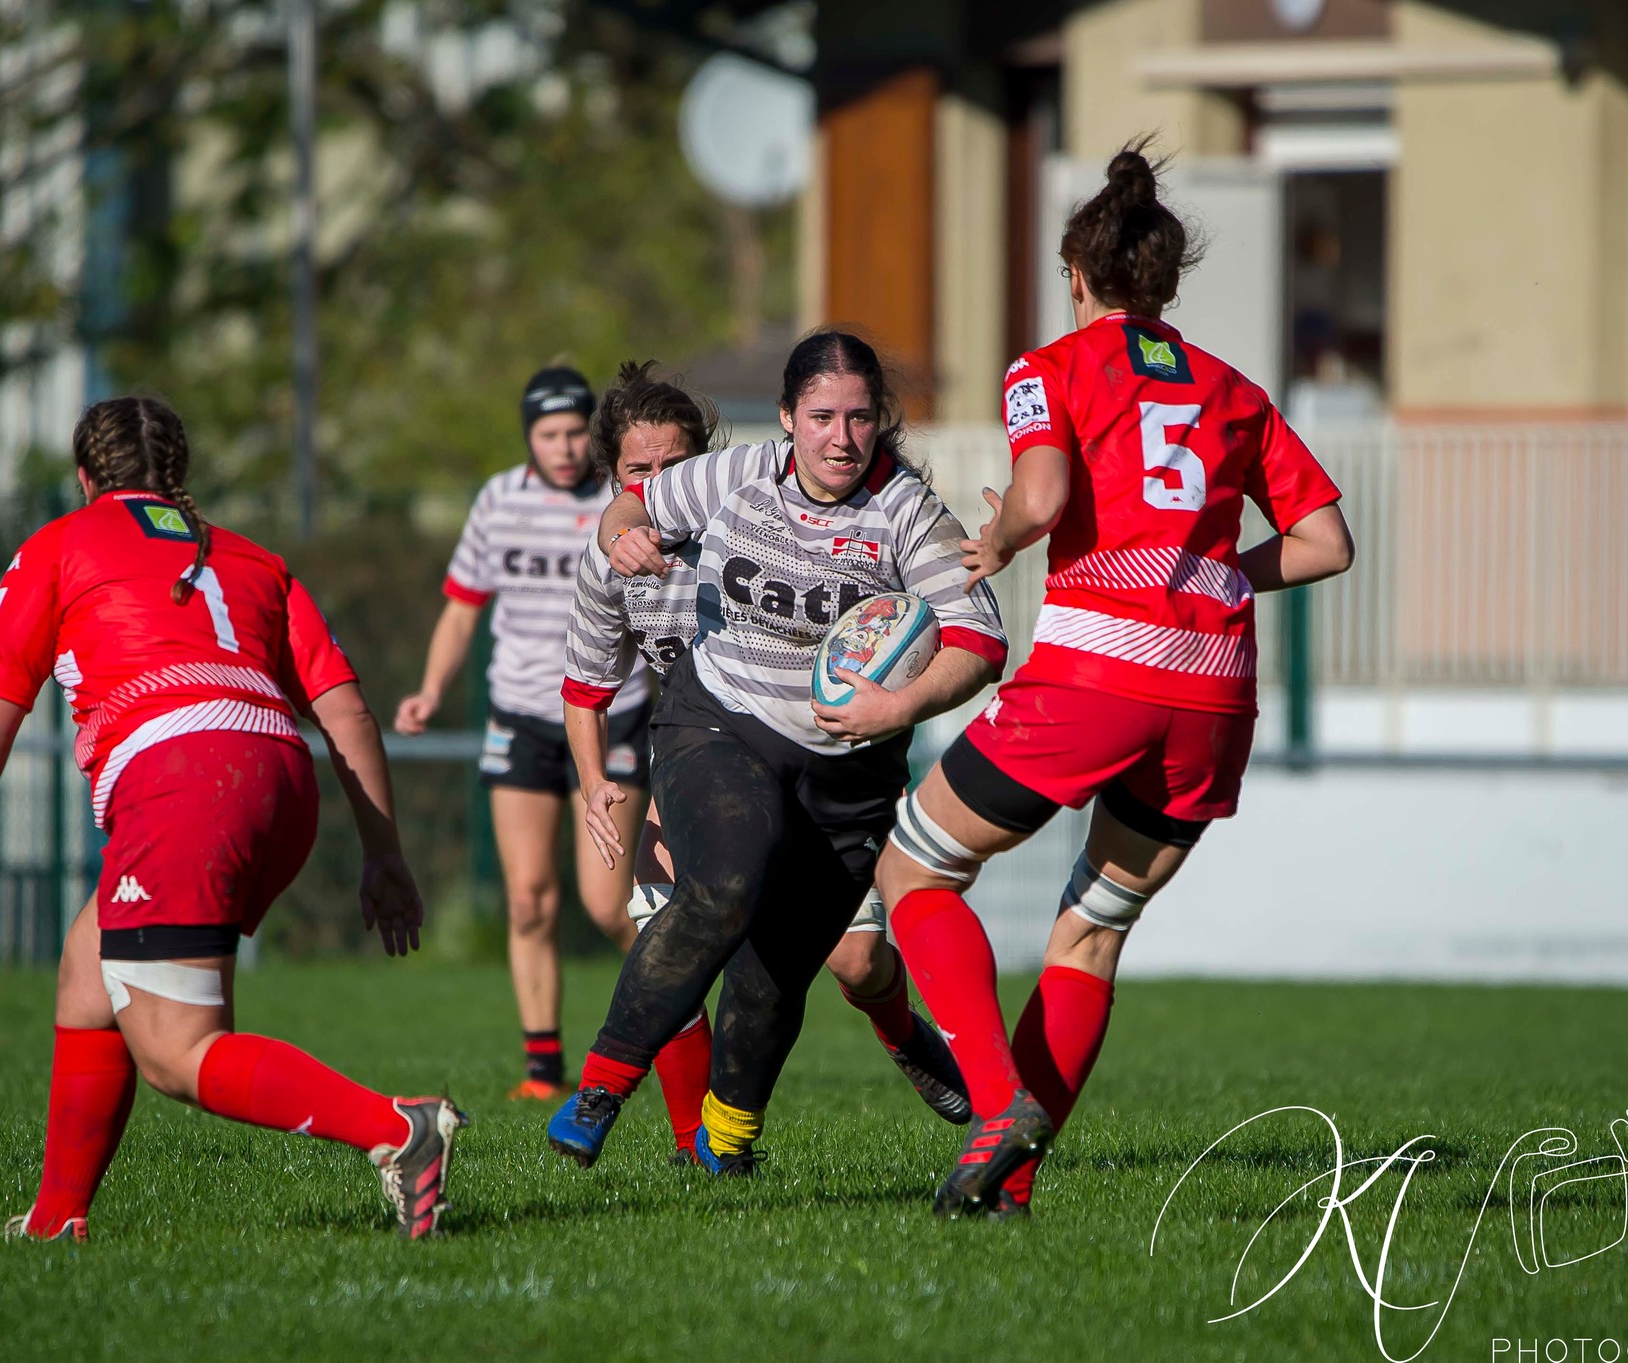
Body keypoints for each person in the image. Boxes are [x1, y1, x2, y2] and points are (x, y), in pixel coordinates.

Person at [873, 143, 1358, 1218]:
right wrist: (1212, 570)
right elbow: (1325, 543)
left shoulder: (1048, 369)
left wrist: (996, 537)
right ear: (1167, 285)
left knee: (911, 875)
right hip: (1214, 691)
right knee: (1089, 930)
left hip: (1098, 671)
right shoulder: (1233, 392)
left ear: (1075, 275)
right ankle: (1009, 1191)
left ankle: (997, 1109)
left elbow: (1040, 496)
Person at [0, 396, 464, 1243]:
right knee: (87, 967)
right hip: (280, 777)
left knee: (175, 1051)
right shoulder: (255, 559)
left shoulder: (58, 546)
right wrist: (383, 853)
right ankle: (58, 1218)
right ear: (180, 478)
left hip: (185, 778)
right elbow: (348, 715)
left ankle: (400, 1129)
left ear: (85, 476)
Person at [545, 332, 1008, 1175]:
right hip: (721, 721)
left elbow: (980, 643)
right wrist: (621, 532)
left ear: (880, 424)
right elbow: (630, 508)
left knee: (775, 973)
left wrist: (898, 703)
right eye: (822, 416)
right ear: (789, 417)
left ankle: (727, 1142)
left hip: (851, 770)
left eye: (860, 418)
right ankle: (603, 1086)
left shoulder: (907, 511)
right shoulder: (738, 473)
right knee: (726, 882)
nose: (841, 437)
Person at [393, 367, 647, 1100]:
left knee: (608, 906)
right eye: (550, 434)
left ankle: (677, 1016)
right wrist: (431, 689)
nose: (565, 447)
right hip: (521, 719)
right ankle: (543, 1067)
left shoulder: (621, 500)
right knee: (529, 898)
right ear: (528, 437)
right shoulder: (498, 500)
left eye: (575, 432)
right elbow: (462, 608)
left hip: (608, 715)